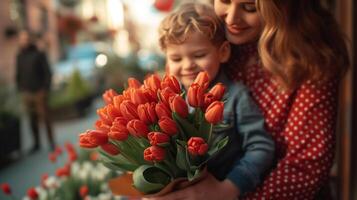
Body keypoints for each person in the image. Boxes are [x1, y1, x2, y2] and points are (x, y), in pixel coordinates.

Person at [148, 0, 350, 199]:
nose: (232, 19)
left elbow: (307, 165)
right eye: (225, 1)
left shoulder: (311, 62)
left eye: (250, 7)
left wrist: (226, 191)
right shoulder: (215, 35)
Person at [147, 3, 275, 199]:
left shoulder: (236, 97)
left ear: (223, 52)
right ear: (166, 61)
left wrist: (232, 186)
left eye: (199, 55)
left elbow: (261, 147)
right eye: (176, 58)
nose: (188, 65)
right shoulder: (165, 98)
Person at [15, 31, 56, 152]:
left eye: (26, 39)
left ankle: (51, 142)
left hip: (40, 92)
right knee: (31, 119)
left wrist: (45, 89)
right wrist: (20, 88)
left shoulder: (39, 54)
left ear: (30, 40)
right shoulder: (19, 56)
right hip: (26, 93)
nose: (24, 41)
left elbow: (48, 73)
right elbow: (18, 74)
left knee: (45, 118)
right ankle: (36, 144)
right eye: (22, 39)